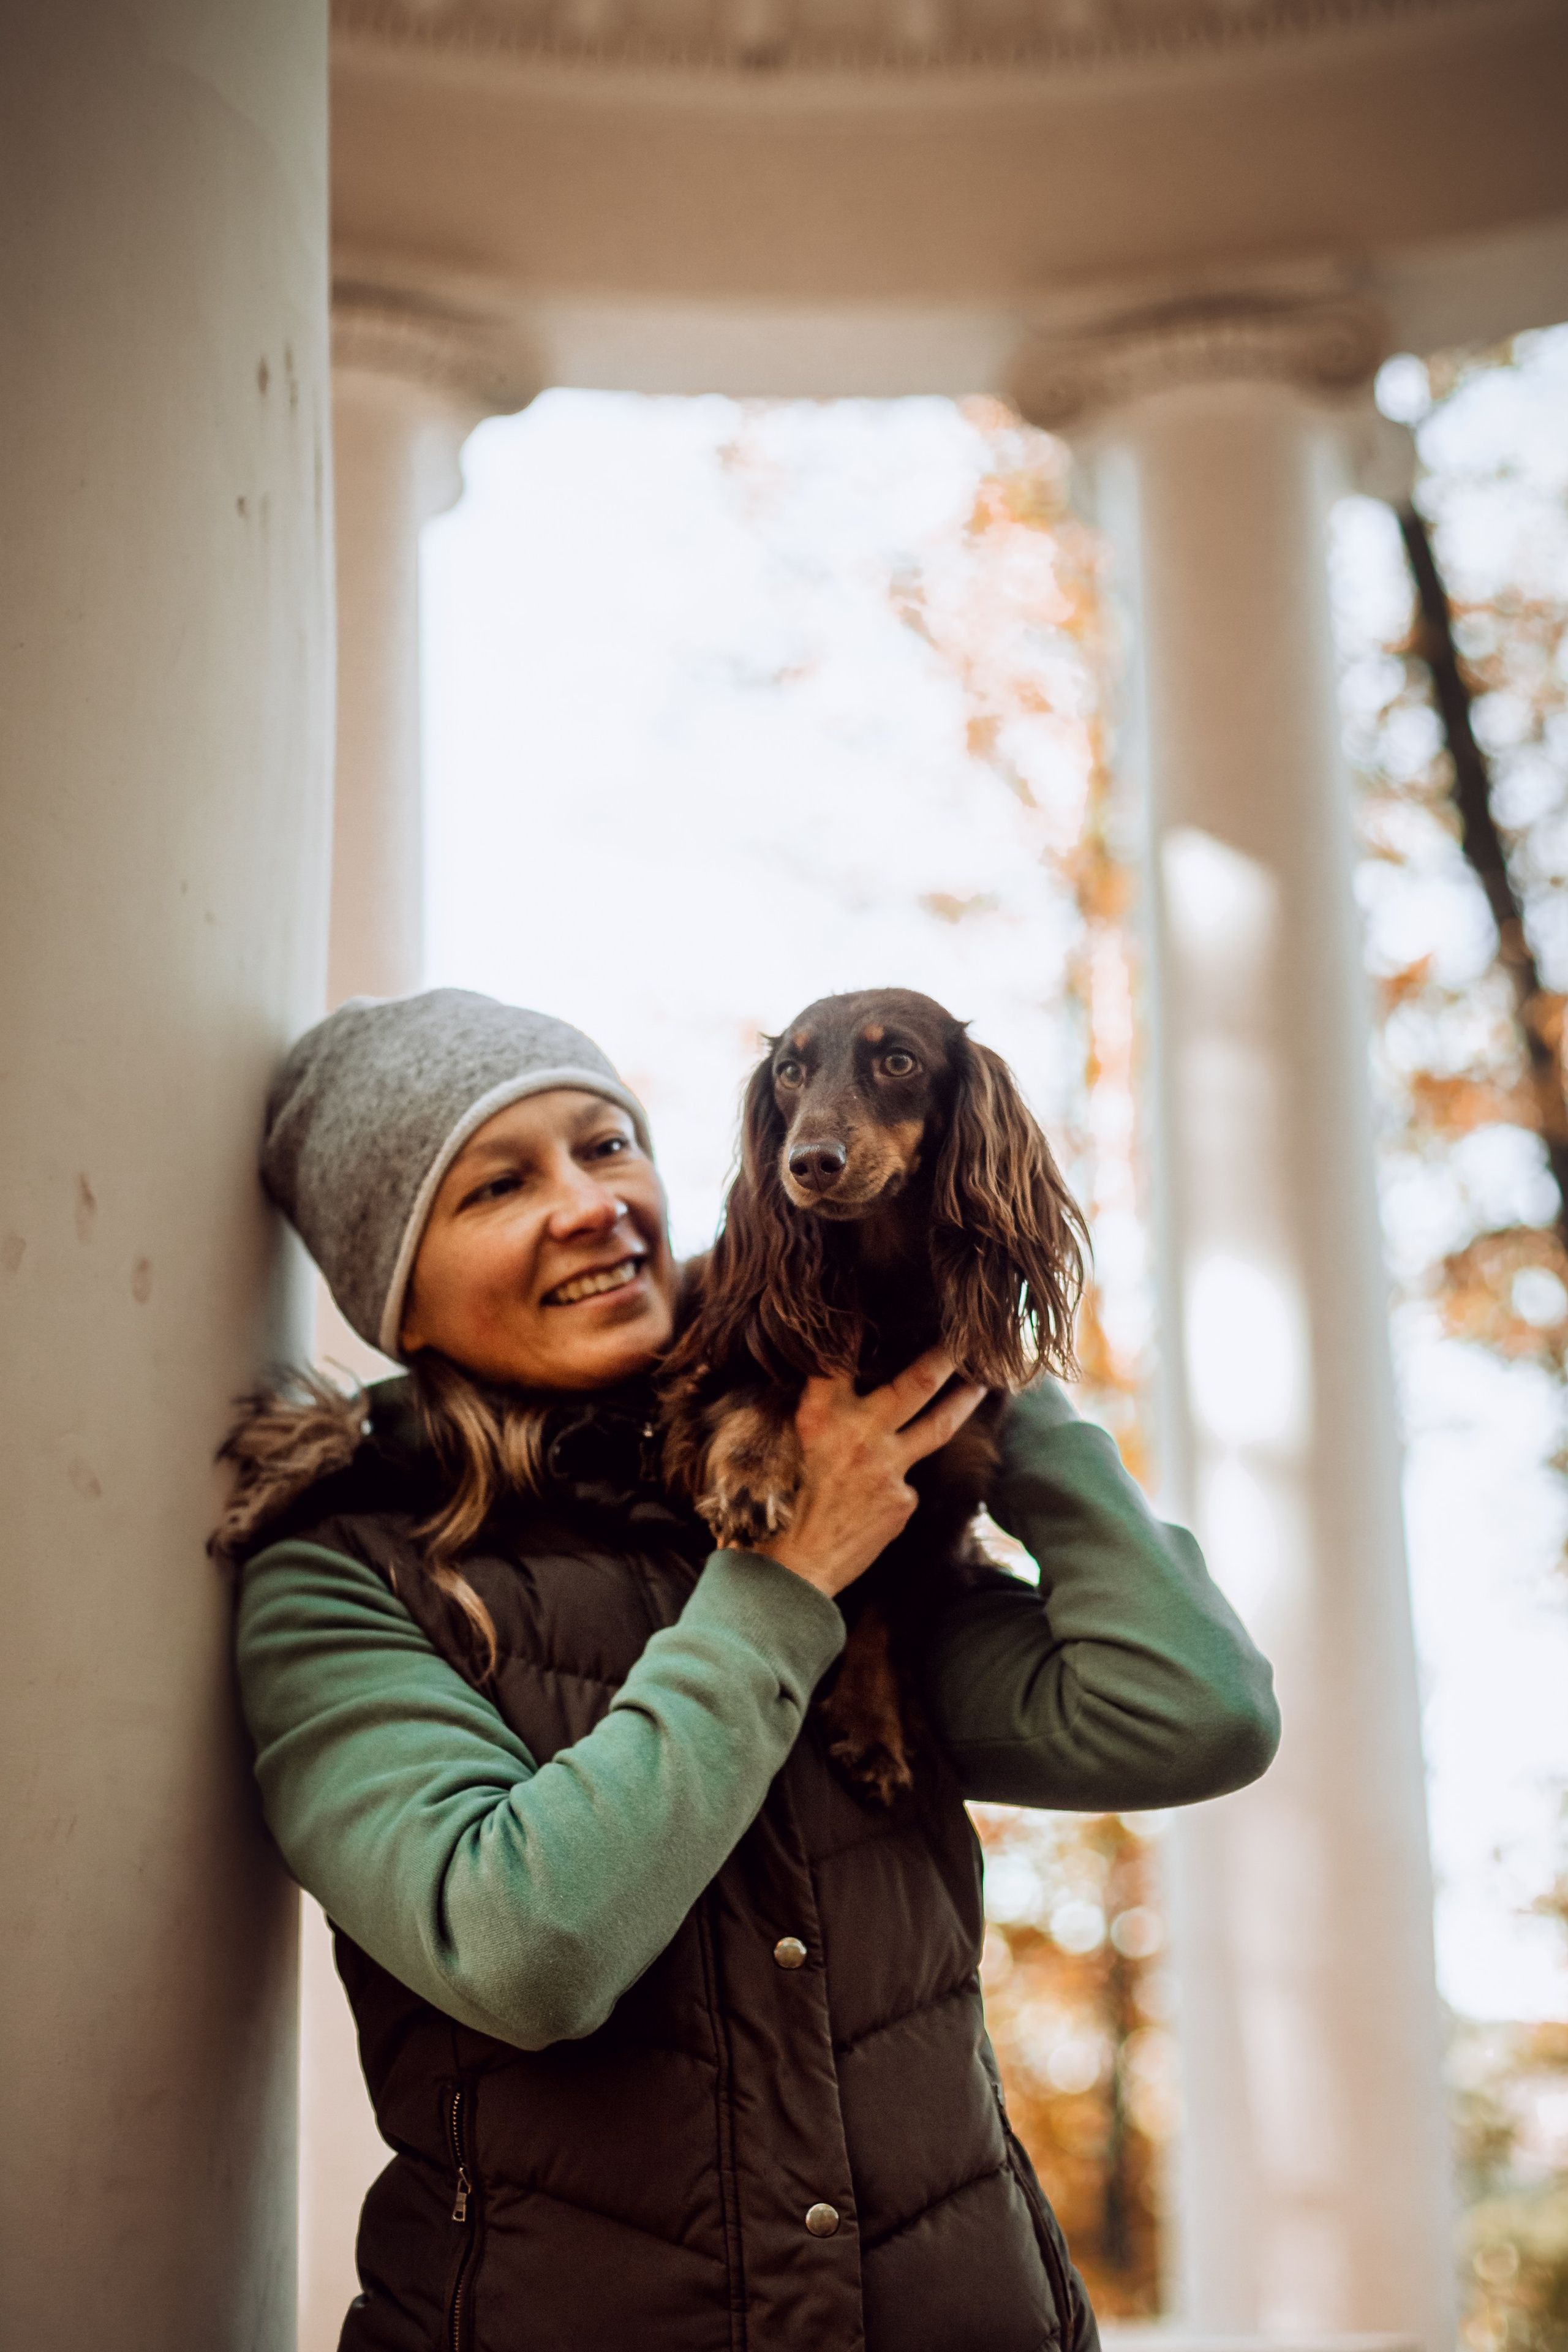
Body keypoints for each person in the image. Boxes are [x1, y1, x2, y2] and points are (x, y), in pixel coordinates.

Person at [225, 987, 1280, 2352]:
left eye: (607, 1147)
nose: (591, 1203)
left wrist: (973, 1353)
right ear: (394, 1287)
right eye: (499, 1184)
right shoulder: (344, 1572)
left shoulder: (864, 1526)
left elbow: (1190, 1713)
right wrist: (781, 1583)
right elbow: (521, 1949)